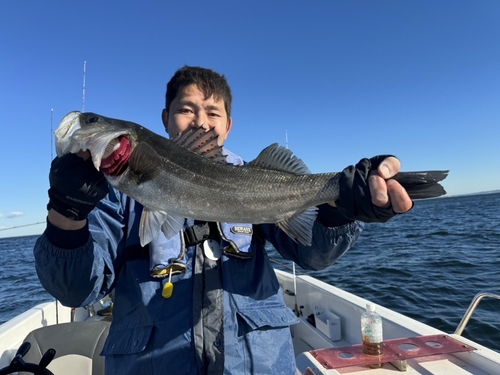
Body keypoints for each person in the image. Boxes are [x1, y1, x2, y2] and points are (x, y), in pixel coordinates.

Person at [34, 66, 412, 375]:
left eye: (213, 113)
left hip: (259, 364)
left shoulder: (255, 177)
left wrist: (339, 208)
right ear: (165, 119)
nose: (201, 122)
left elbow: (313, 254)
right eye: (187, 109)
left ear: (228, 126)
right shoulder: (113, 192)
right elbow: (75, 292)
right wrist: (68, 212)